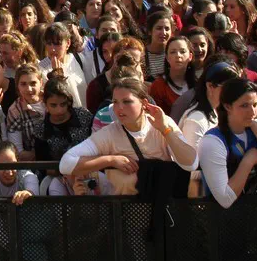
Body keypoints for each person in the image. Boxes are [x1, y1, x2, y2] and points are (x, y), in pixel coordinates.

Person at [59, 77, 197, 196]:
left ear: (144, 103)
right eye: (115, 102)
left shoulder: (163, 123)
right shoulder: (109, 133)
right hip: (128, 212)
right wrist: (110, 160)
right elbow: (65, 164)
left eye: (126, 101)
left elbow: (191, 163)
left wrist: (165, 130)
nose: (119, 108)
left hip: (164, 207)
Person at [196, 78, 257, 208]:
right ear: (227, 106)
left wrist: (253, 123)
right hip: (225, 216)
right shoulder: (212, 141)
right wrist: (248, 161)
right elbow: (225, 199)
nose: (252, 111)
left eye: (255, 105)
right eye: (244, 106)